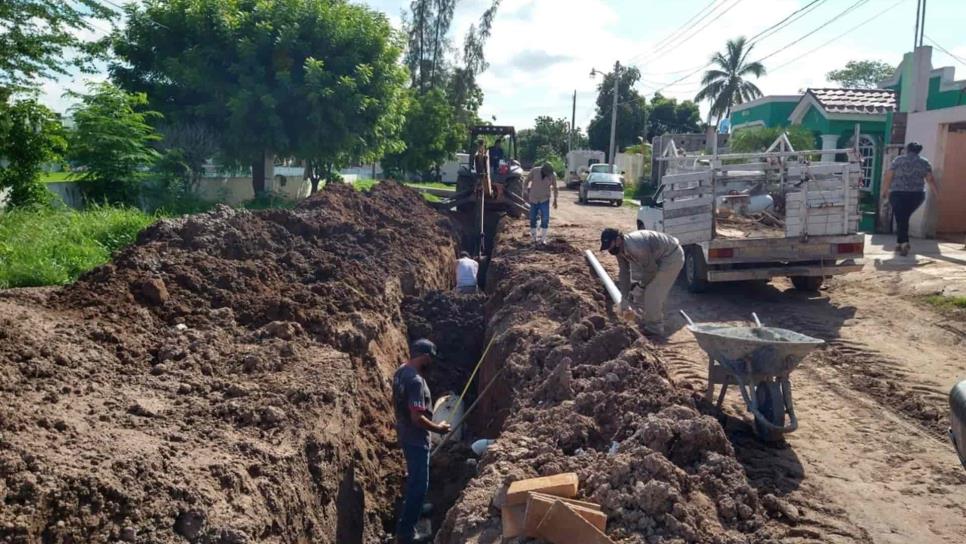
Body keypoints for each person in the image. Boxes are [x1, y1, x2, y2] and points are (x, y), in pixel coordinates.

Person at [393, 339, 450, 544]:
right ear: (425, 356)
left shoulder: (401, 371)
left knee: (416, 478)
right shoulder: (416, 381)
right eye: (430, 359)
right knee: (419, 485)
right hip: (416, 439)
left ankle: (415, 509)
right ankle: (406, 533)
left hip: (405, 434)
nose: (431, 363)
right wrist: (439, 429)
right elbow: (417, 418)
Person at [600, 228, 683, 337]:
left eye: (609, 245)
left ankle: (655, 327)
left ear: (618, 240)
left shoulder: (636, 247)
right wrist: (624, 297)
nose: (609, 250)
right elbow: (624, 272)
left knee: (653, 292)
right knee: (643, 292)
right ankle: (650, 316)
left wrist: (640, 287)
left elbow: (651, 271)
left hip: (671, 256)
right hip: (655, 257)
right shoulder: (618, 249)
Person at [882, 141, 939, 256]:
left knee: (901, 217)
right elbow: (930, 179)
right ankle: (899, 243)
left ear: (907, 150)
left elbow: (889, 175)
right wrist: (936, 194)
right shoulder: (924, 162)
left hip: (898, 193)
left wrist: (885, 190)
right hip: (916, 195)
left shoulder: (898, 160)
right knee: (903, 217)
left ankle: (904, 243)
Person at [524, 162, 559, 244]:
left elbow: (555, 187)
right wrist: (525, 191)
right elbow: (526, 181)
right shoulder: (535, 171)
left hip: (544, 199)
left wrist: (555, 200)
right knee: (532, 218)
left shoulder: (552, 175)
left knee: (545, 219)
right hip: (533, 199)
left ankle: (543, 239)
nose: (548, 174)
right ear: (543, 170)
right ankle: (533, 238)